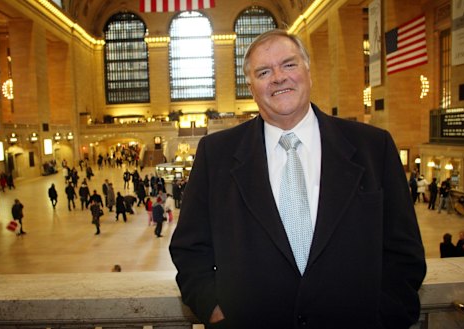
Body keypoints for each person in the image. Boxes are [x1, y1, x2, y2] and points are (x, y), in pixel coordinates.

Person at [169, 29, 426, 328]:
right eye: (264, 71)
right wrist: (215, 312)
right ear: (251, 88)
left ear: (307, 71)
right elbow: (190, 249)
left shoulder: (373, 146)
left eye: (289, 64)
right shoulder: (216, 154)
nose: (278, 77)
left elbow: (403, 253)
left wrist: (383, 318)